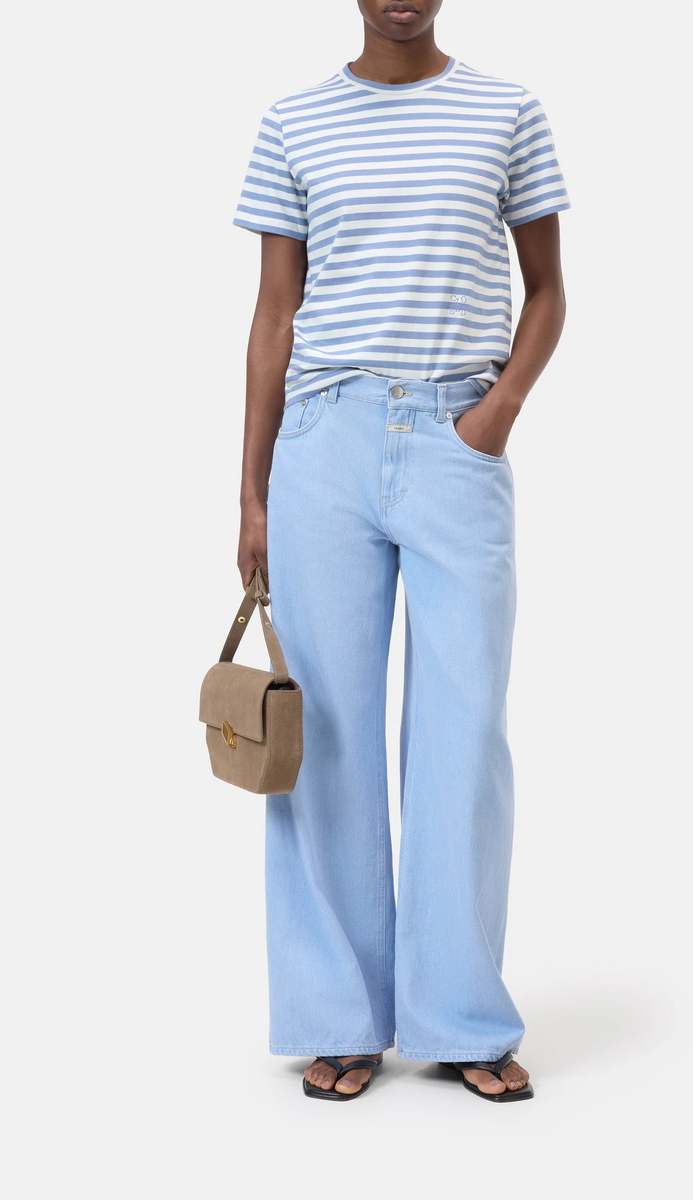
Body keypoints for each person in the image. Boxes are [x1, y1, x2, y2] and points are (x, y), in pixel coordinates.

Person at [234, 0, 568, 1103]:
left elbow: (547, 291)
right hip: (322, 446)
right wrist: (252, 492)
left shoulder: (506, 112)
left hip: (454, 439)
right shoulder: (294, 122)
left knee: (463, 735)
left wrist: (494, 415)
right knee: (325, 738)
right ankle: (339, 1016)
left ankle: (459, 1016)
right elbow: (274, 315)